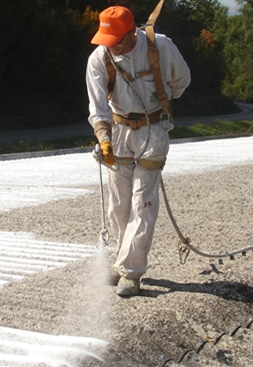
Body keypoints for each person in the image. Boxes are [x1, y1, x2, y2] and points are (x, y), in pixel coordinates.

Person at [86, 5, 190, 296]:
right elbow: (97, 107)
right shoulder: (99, 58)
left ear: (132, 33)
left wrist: (161, 101)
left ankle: (131, 272)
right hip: (118, 131)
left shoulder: (161, 47)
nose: (112, 46)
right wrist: (104, 138)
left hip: (153, 130)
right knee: (118, 204)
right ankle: (123, 262)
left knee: (142, 202)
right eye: (107, 40)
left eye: (117, 40)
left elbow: (182, 81)